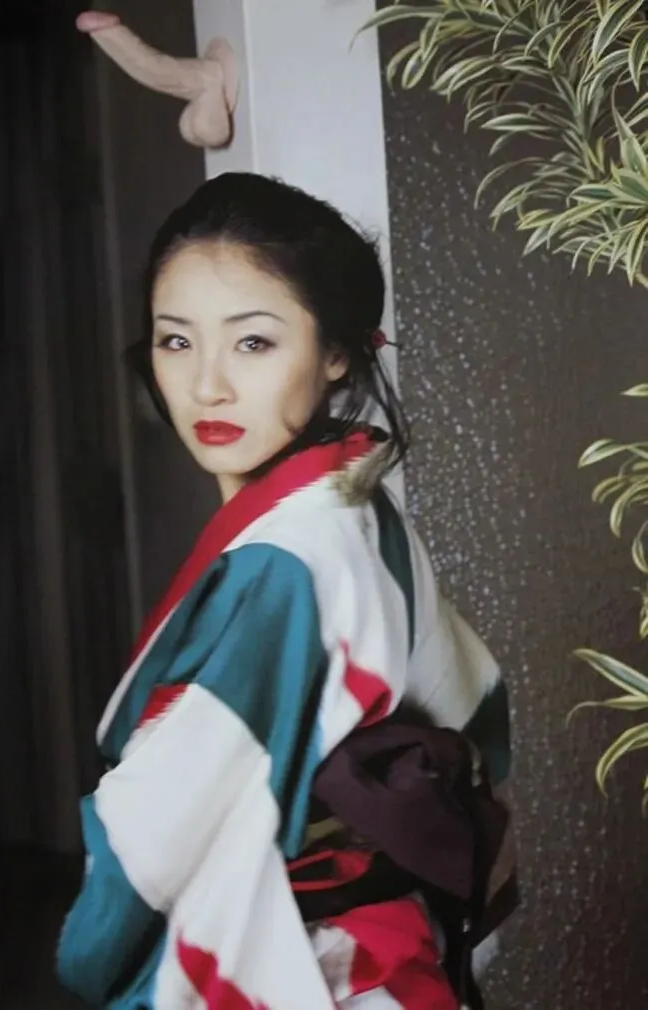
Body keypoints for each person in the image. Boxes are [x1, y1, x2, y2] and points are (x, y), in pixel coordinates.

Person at [57, 173, 515, 1009]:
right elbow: (473, 708)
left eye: (253, 343)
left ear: (335, 351)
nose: (207, 385)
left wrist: (86, 954)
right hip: (388, 954)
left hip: (307, 964)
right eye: (175, 341)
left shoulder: (284, 558)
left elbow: (159, 838)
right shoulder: (355, 508)